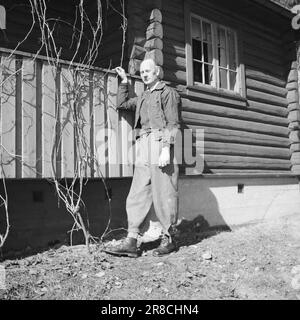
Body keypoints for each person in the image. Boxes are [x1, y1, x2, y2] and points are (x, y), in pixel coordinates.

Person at [103, 58, 181, 257]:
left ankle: (169, 238)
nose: (145, 74)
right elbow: (122, 103)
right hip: (144, 143)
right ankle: (131, 240)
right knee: (138, 191)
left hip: (160, 142)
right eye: (142, 72)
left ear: (157, 72)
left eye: (148, 71)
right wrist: (123, 81)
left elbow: (173, 123)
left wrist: (166, 148)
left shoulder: (167, 93)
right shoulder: (143, 97)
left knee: (164, 192)